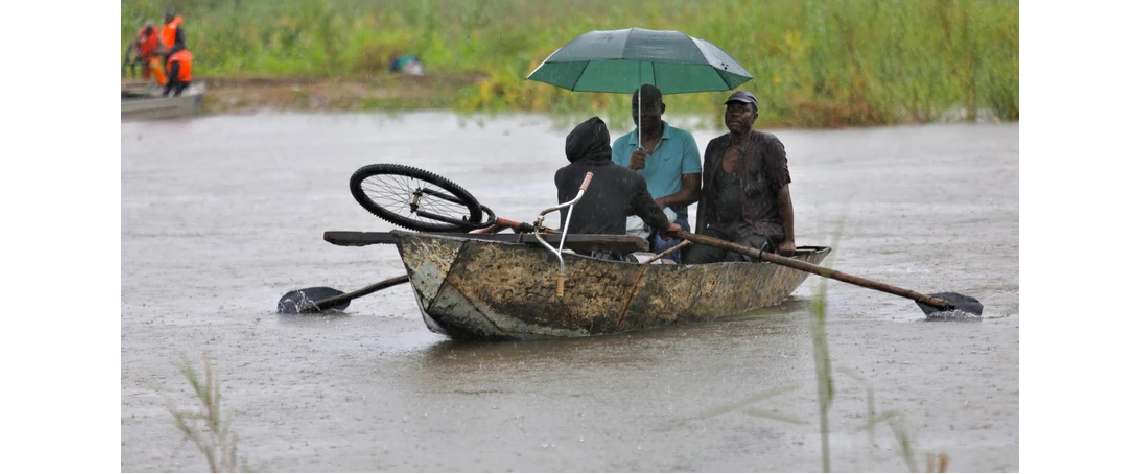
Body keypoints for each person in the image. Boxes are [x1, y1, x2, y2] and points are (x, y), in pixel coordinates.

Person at [685, 91, 797, 264]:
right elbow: (705, 197)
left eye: (743, 110)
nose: (735, 113)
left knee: (735, 261)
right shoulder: (715, 147)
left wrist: (789, 240)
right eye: (731, 110)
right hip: (722, 230)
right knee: (693, 257)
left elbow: (783, 193)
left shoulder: (768, 144)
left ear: (755, 117)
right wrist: (699, 237)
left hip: (759, 229)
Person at [554, 117, 681, 258]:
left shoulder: (561, 176)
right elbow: (651, 212)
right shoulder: (630, 178)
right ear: (606, 145)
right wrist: (666, 226)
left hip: (570, 255)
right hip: (610, 258)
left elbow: (594, 200)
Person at [612, 84, 702, 258]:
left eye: (648, 107)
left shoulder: (683, 140)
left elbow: (693, 191)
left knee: (666, 244)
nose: (642, 113)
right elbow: (611, 191)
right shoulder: (621, 145)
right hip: (632, 219)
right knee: (623, 250)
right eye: (636, 107)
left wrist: (662, 201)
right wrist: (630, 169)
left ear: (662, 109)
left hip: (672, 217)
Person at [163, 29, 193, 97]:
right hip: (187, 82)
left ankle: (173, 94)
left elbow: (174, 74)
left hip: (179, 81)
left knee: (171, 84)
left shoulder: (174, 57)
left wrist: (168, 87)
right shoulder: (187, 53)